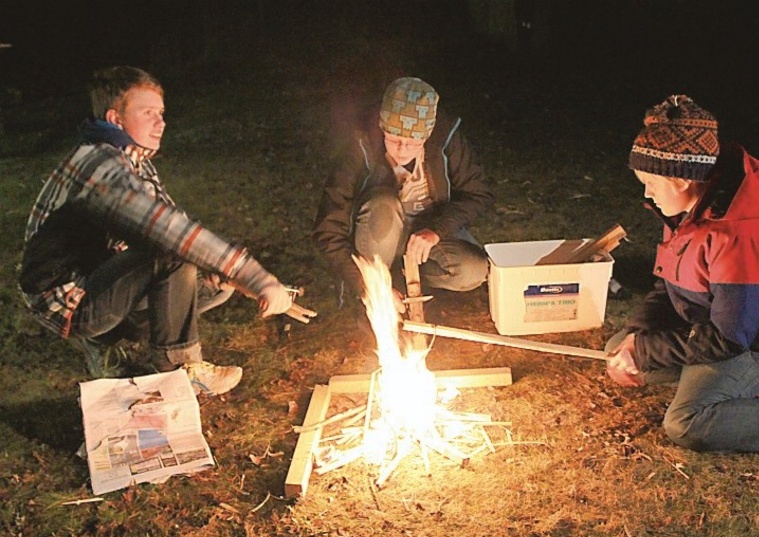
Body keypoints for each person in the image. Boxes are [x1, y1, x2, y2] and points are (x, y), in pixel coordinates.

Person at [18, 66, 293, 395]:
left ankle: (111, 339)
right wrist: (255, 276)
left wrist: (225, 272)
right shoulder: (99, 165)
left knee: (217, 285)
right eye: (148, 113)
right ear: (116, 119)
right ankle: (180, 368)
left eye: (161, 113)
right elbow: (167, 229)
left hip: (101, 275)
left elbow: (173, 217)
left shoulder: (136, 161)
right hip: (67, 298)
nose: (160, 122)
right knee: (172, 253)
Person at [605, 94, 759, 452]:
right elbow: (669, 286)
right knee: (617, 350)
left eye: (651, 183)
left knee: (686, 421)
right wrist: (639, 336)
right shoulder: (688, 212)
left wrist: (645, 349)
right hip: (713, 328)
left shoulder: (741, 233)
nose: (647, 193)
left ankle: (736, 396)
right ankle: (715, 382)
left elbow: (730, 338)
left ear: (682, 180)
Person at [313, 77, 494, 308]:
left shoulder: (446, 139)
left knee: (472, 270)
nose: (402, 150)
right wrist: (368, 285)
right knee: (384, 204)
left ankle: (415, 290)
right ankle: (376, 304)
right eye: (394, 139)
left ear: (426, 136)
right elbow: (328, 230)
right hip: (376, 237)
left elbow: (479, 195)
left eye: (412, 142)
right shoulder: (361, 146)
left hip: (426, 239)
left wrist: (437, 230)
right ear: (382, 128)